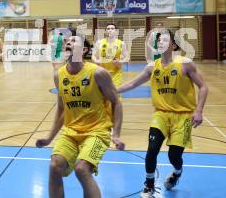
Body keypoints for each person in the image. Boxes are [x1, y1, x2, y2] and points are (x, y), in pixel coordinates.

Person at [116, 29, 208, 197]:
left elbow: (203, 86)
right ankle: (149, 183)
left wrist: (199, 110)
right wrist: (111, 90)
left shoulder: (185, 63)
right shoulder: (152, 67)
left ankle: (177, 172)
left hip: (183, 116)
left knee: (174, 155)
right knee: (152, 149)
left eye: (165, 40)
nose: (160, 43)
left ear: (173, 45)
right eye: (158, 41)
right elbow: (132, 84)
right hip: (161, 114)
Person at [36, 34, 124, 198]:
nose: (69, 42)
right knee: (55, 166)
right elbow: (62, 109)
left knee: (81, 169)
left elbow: (116, 102)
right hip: (71, 132)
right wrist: (49, 138)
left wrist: (117, 134)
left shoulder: (98, 73)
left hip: (97, 132)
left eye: (74, 41)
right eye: (67, 41)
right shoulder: (59, 75)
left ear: (84, 50)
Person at [92, 23, 128, 87]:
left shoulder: (121, 43)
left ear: (116, 31)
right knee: (102, 94)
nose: (110, 30)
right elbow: (94, 55)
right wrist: (96, 61)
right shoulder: (99, 42)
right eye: (108, 29)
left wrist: (120, 62)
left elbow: (126, 57)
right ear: (106, 31)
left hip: (116, 73)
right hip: (102, 72)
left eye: (112, 28)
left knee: (115, 93)